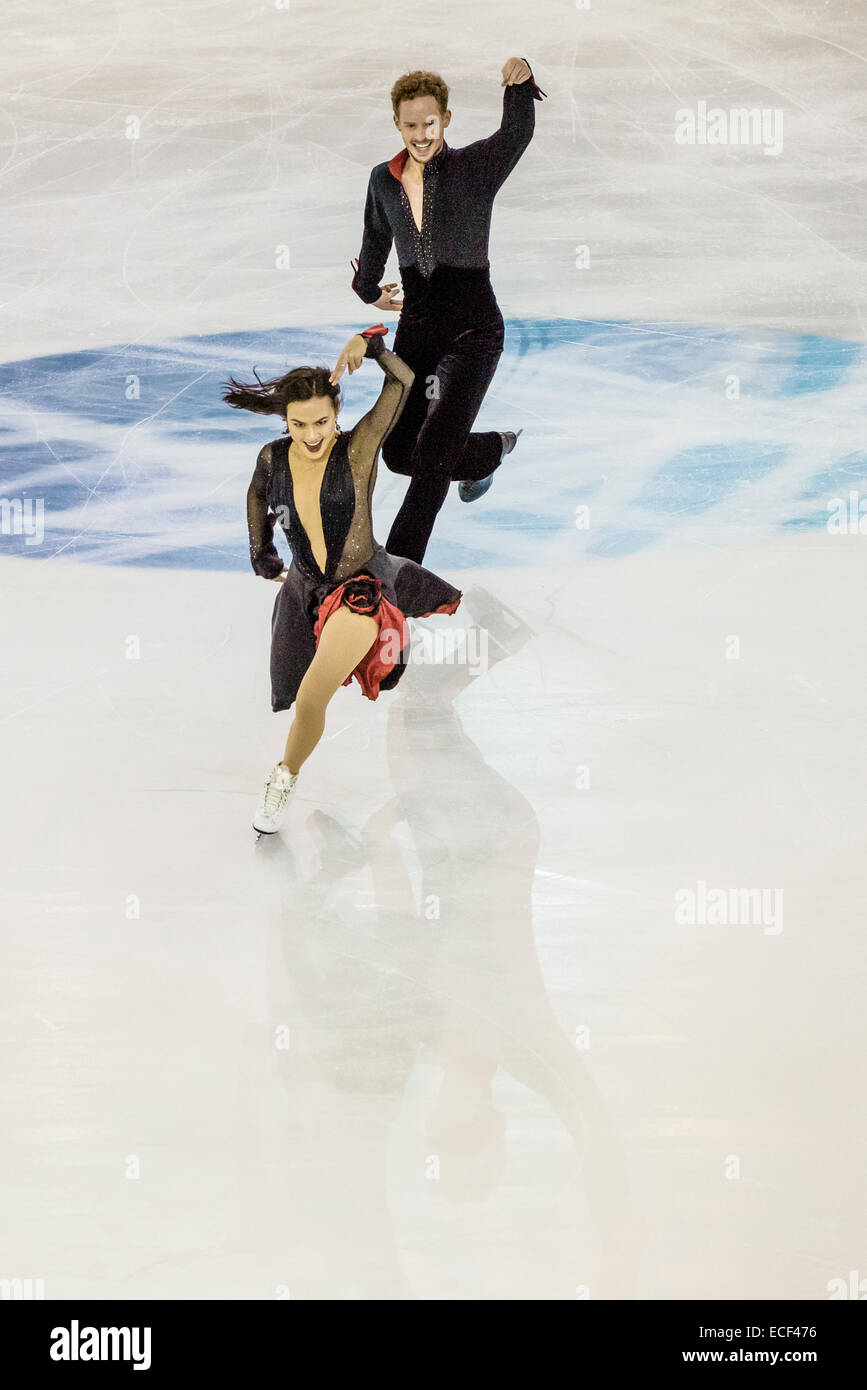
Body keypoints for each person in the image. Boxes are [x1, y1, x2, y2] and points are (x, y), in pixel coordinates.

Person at [223, 326, 462, 835]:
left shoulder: (357, 449)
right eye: (299, 424)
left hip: (359, 593)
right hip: (304, 591)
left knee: (311, 698)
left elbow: (402, 383)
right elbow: (255, 493)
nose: (311, 435)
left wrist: (373, 346)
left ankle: (283, 777)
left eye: (322, 422)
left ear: (337, 414)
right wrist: (259, 550)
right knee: (295, 689)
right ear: (285, 421)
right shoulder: (271, 456)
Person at [350, 56, 546, 563]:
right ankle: (485, 453)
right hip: (417, 332)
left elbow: (516, 134)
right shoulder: (382, 181)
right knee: (398, 453)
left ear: (446, 119)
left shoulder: (474, 167)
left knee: (434, 454)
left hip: (473, 330)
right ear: (397, 123)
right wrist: (367, 288)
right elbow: (374, 240)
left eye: (429, 122)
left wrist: (520, 82)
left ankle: (394, 576)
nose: (420, 133)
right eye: (410, 124)